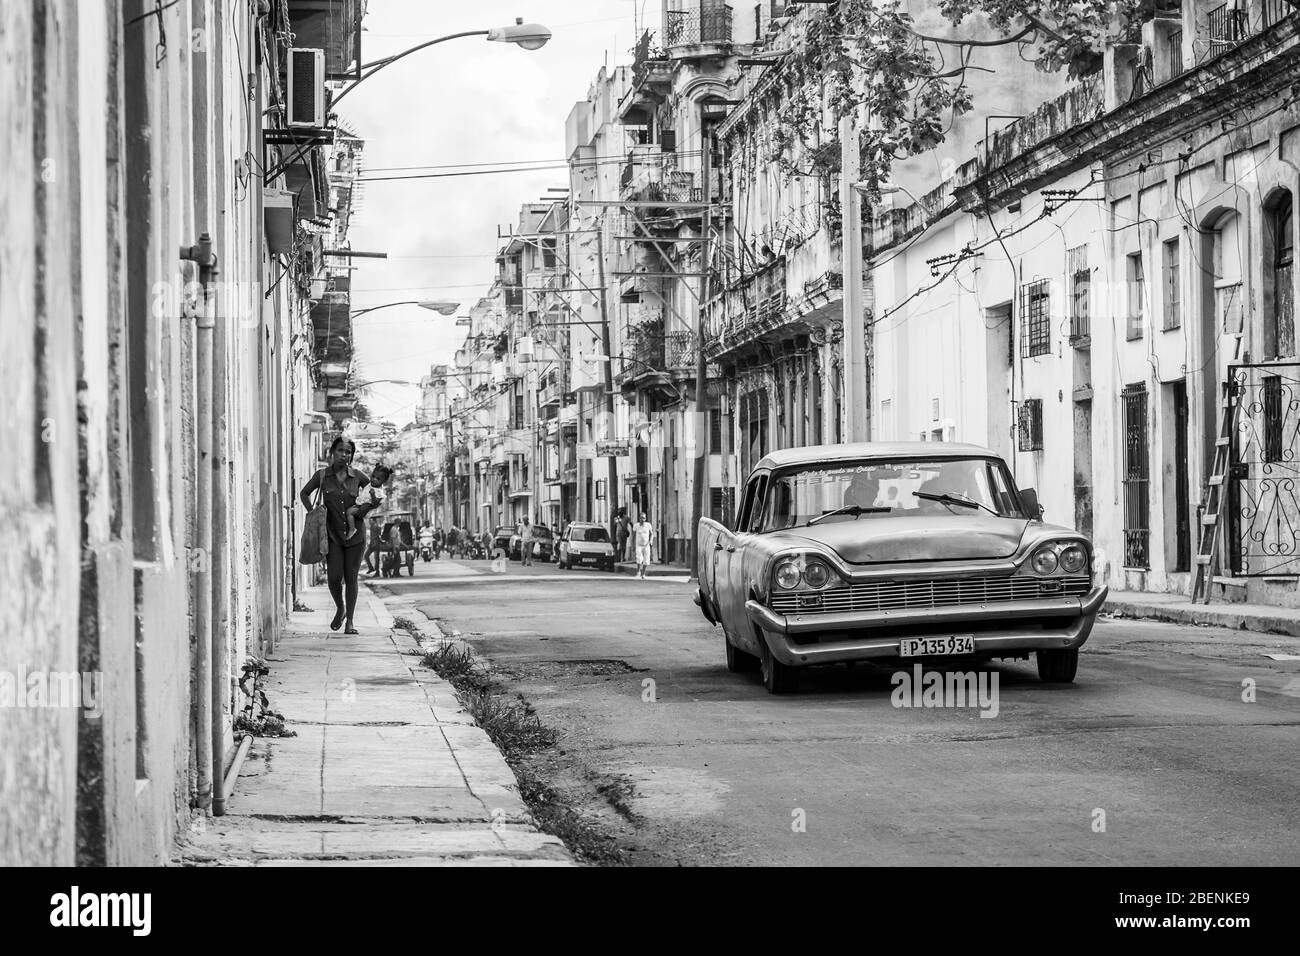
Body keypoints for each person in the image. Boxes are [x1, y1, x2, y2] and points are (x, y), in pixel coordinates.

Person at [299, 436, 379, 634]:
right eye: (341, 451)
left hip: (356, 536)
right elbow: (304, 493)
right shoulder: (322, 476)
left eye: (348, 452)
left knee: (351, 577)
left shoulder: (358, 477)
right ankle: (340, 607)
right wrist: (314, 513)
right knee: (334, 578)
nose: (344, 455)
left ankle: (350, 621)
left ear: (351, 456)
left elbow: (375, 494)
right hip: (332, 535)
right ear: (332, 453)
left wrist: (367, 507)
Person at [632, 512, 654, 580]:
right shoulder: (636, 525)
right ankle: (638, 571)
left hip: (646, 545)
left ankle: (643, 573)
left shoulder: (648, 525)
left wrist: (650, 541)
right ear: (639, 518)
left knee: (646, 559)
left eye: (644, 518)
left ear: (645, 518)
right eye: (641, 518)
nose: (642, 519)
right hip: (638, 545)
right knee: (639, 558)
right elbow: (633, 536)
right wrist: (633, 545)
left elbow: (651, 534)